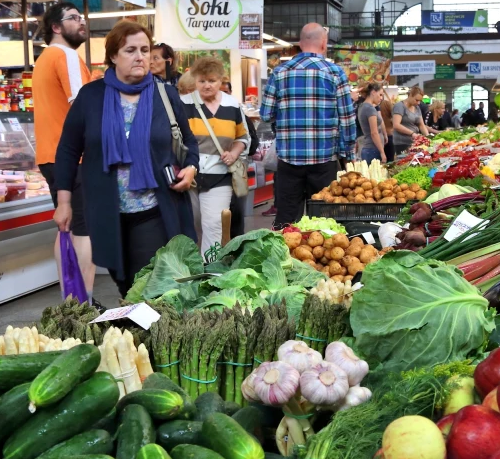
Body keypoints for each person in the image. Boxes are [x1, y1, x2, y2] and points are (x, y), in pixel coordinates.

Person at [54, 21, 200, 297]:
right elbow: (68, 150)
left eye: (145, 50)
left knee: (147, 284)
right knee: (123, 282)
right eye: (130, 50)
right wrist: (63, 203)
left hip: (155, 207)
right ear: (113, 56)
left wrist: (191, 168)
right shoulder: (91, 97)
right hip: (106, 211)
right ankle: (140, 331)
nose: (140, 56)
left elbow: (190, 143)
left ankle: (151, 333)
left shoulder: (165, 95)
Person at [259, 23, 356, 228]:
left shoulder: (279, 73)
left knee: (286, 223)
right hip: (324, 161)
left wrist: (287, 118)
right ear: (323, 43)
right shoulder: (335, 73)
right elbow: (347, 119)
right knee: (324, 224)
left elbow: (266, 115)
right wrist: (348, 153)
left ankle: (286, 257)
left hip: (289, 161)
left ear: (300, 44)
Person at [34, 1, 96, 297]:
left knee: (67, 229)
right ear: (56, 27)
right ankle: (83, 305)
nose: (80, 22)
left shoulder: (43, 59)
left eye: (81, 17)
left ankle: (70, 300)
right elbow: (81, 107)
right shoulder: (67, 56)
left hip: (51, 156)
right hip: (75, 157)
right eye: (72, 18)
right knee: (85, 231)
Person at [180, 56, 248, 258]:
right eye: (202, 81)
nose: (207, 85)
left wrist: (234, 153)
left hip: (220, 175)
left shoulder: (232, 105)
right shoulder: (183, 104)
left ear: (221, 81)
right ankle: (191, 271)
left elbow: (242, 137)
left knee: (214, 225)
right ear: (195, 80)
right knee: (191, 227)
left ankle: (209, 275)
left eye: (212, 81)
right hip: (188, 175)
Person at [391, 85, 429, 154]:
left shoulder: (417, 108)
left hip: (414, 143)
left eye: (420, 101)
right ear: (410, 95)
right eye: (416, 100)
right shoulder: (399, 106)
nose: (418, 103)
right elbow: (396, 125)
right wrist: (412, 133)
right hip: (402, 143)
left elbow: (421, 125)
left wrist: (428, 138)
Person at [356, 83, 387, 162]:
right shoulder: (370, 108)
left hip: (369, 148)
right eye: (380, 95)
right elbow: (374, 133)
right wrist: (382, 152)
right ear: (373, 92)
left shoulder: (363, 106)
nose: (381, 98)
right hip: (373, 149)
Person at [379, 87, 397, 163]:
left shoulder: (374, 107)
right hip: (390, 135)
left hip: (380, 137)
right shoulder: (387, 103)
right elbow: (394, 117)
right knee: (390, 161)